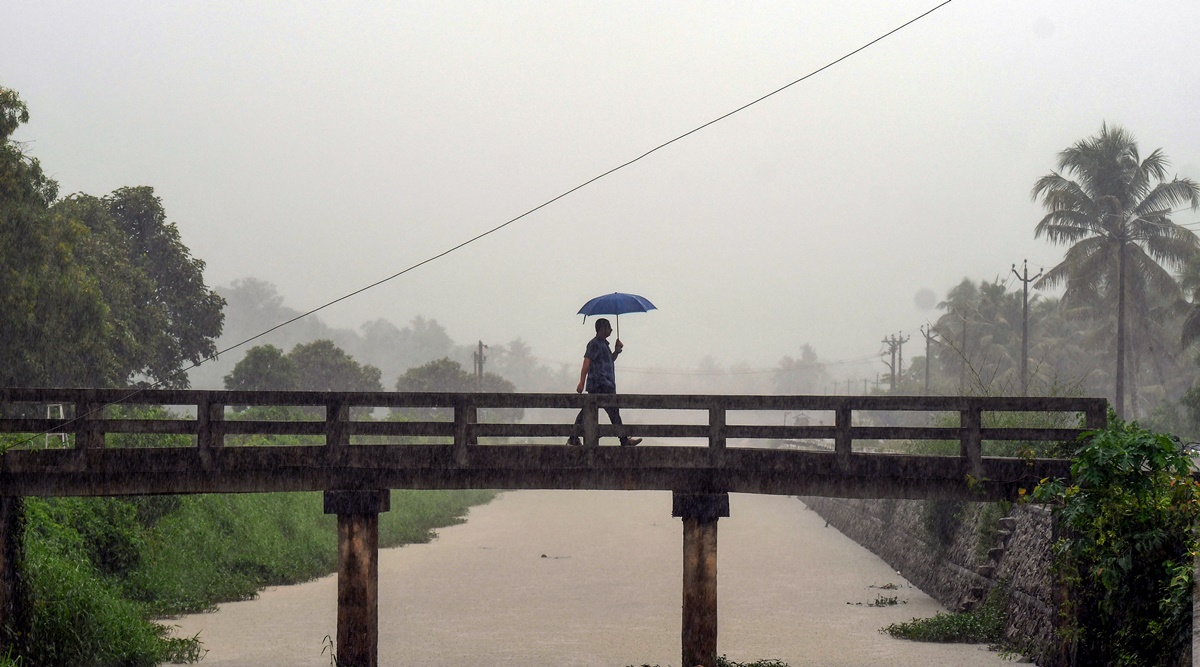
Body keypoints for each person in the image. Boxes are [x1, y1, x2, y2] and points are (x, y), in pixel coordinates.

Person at [567, 318, 641, 447]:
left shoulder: (604, 345)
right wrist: (581, 382)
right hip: (600, 384)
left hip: (605, 384)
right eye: (609, 327)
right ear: (602, 329)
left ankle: (573, 438)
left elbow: (609, 360)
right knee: (610, 412)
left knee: (588, 411)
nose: (611, 330)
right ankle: (624, 440)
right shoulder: (594, 344)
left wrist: (616, 351)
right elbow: (587, 362)